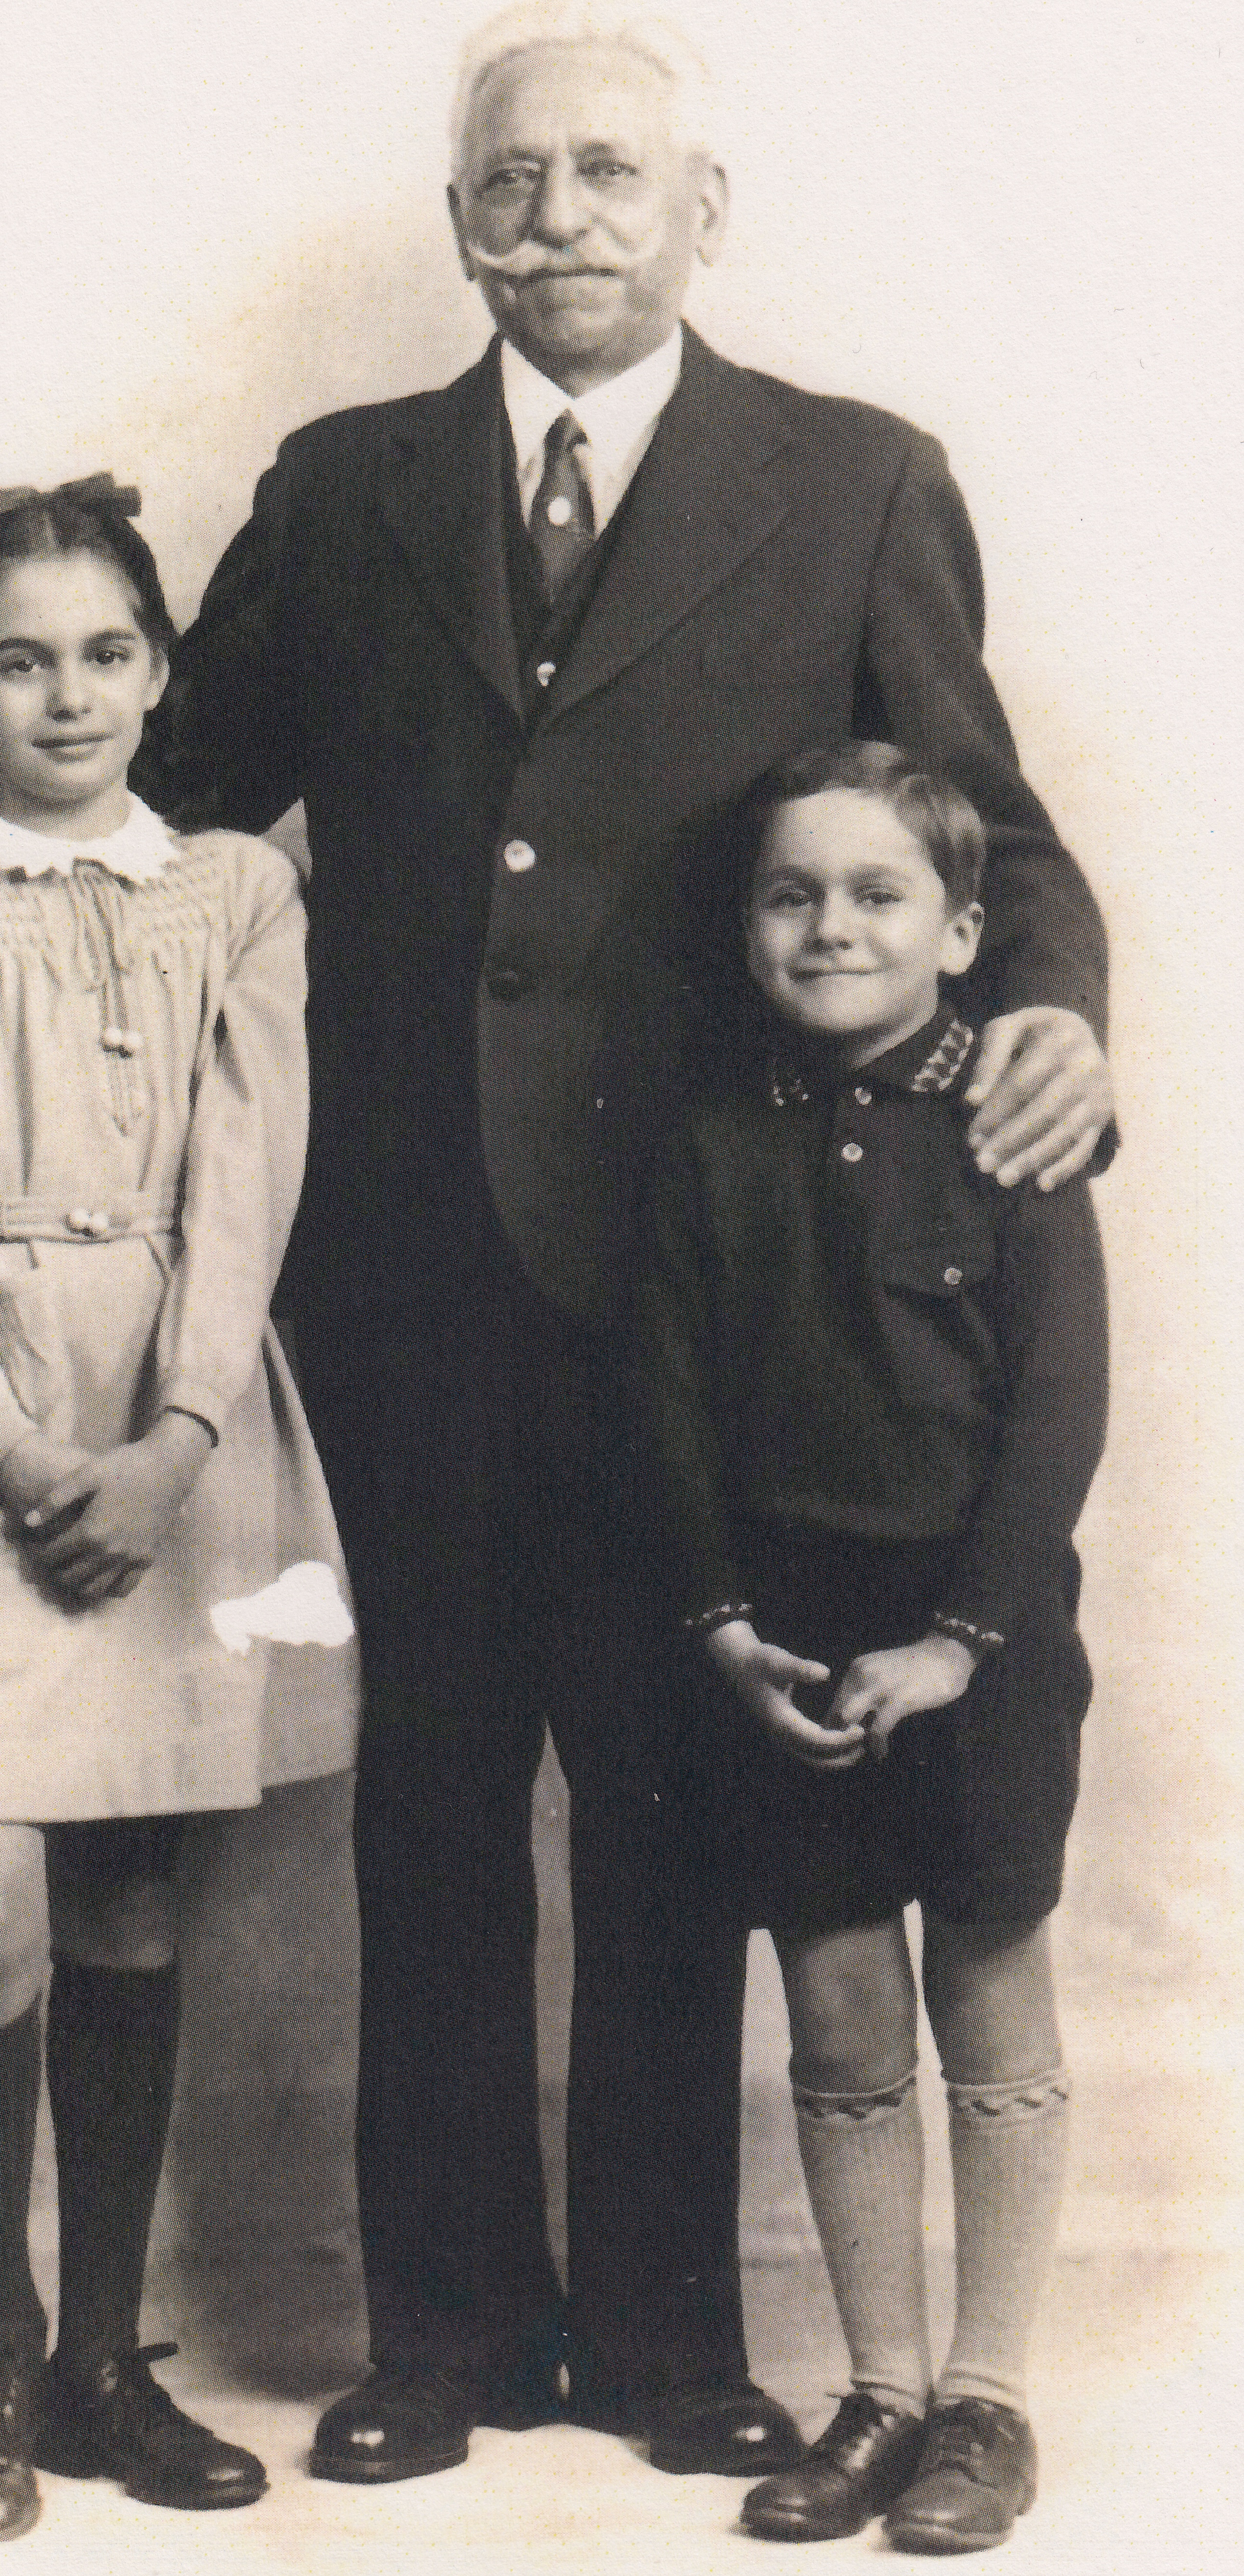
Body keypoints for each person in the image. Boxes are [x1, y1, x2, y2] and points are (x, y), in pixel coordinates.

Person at [0, 5, 1116, 2486]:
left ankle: (676, 2340)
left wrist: (1051, 1018)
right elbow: (125, 793)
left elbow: (984, 831)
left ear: (706, 214)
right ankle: (451, 2328)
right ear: (457, 216)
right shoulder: (349, 481)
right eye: (516, 179)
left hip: (719, 1280)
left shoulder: (853, 479)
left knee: (681, 1802)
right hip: (392, 1270)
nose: (562, 215)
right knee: (433, 1804)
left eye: (613, 173)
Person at [0, 467, 358, 2542]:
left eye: (108, 651)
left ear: (161, 668)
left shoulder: (237, 893)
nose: (68, 692)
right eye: (19, 659)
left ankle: (111, 2357)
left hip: (174, 1425)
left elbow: (249, 1176)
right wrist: (26, 1451)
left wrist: (177, 1436)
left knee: (128, 1900)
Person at [637, 742, 1105, 2552]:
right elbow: (667, 1404)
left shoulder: (1012, 1123)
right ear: (749, 926)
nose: (831, 924)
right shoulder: (705, 1138)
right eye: (790, 894)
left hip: (974, 1640)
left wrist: (966, 1643)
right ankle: (882, 2392)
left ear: (965, 926)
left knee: (987, 1986)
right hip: (794, 1651)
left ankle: (987, 2400)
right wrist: (728, 1627)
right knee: (837, 2012)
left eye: (879, 893)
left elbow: (1060, 1407)